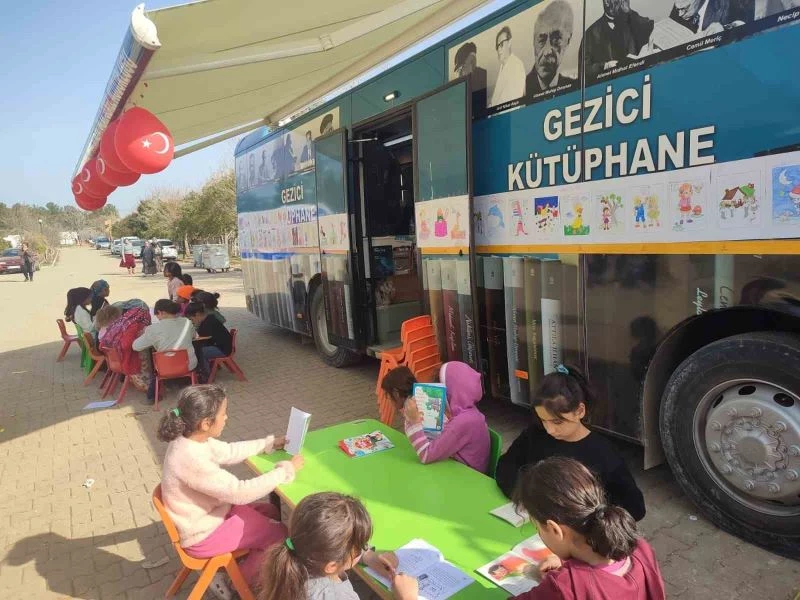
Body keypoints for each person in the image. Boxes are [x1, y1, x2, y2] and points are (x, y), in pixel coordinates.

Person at [158, 384, 304, 597]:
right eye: (223, 414)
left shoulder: (192, 439)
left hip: (210, 517)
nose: (226, 418)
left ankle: (244, 561)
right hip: (203, 535)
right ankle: (237, 581)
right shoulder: (191, 458)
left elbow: (229, 451)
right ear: (206, 423)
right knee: (280, 536)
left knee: (271, 512)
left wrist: (269, 443)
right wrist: (285, 470)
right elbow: (240, 492)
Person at [495, 365, 646, 521]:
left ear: (580, 411)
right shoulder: (534, 434)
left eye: (557, 422)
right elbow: (506, 466)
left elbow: (635, 508)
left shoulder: (604, 454)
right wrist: (524, 498)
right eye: (543, 420)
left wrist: (590, 522)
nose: (549, 430)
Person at [510, 457, 666, 599]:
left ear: (555, 529)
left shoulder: (564, 586)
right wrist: (566, 564)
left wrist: (559, 579)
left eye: (537, 527)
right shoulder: (640, 548)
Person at [260, 492, 418, 600]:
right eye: (360, 546)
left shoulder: (295, 557)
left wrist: (368, 556)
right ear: (332, 566)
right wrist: (408, 598)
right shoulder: (336, 596)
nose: (364, 548)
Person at [381, 362, 490, 473]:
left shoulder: (461, 423)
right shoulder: (467, 412)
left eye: (439, 386)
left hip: (469, 477)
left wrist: (414, 422)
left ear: (451, 391)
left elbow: (426, 456)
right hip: (464, 469)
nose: (435, 394)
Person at [132, 299, 198, 404]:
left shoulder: (153, 329)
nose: (157, 318)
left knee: (155, 364)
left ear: (161, 312)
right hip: (188, 365)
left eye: (157, 315)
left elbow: (136, 346)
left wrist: (147, 336)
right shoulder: (187, 322)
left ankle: (151, 397)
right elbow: (194, 336)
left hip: (165, 368)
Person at [584, 0, 654, 78]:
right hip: (609, 81)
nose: (622, 2)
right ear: (607, 2)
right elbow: (584, 68)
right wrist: (605, 66)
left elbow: (648, 27)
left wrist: (629, 11)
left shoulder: (630, 20)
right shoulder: (591, 33)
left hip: (635, 76)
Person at [526, 0, 577, 98]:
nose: (547, 51)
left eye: (556, 39)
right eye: (541, 40)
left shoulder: (575, 88)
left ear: (568, 41)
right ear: (534, 41)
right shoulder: (520, 91)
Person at [102, 306, 153, 393]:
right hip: (126, 361)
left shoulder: (121, 323)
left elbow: (103, 343)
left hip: (115, 360)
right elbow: (127, 345)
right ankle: (149, 387)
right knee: (144, 350)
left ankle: (149, 383)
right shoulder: (133, 326)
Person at [186, 303, 232, 377]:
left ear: (197, 314)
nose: (192, 321)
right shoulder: (209, 319)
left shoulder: (208, 322)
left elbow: (203, 337)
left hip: (222, 350)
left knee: (198, 351)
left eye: (191, 319)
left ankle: (205, 375)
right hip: (222, 346)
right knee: (197, 349)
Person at [490, 26, 526, 107]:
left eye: (501, 44)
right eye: (497, 46)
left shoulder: (517, 65)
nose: (498, 49)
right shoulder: (502, 67)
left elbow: (511, 103)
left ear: (509, 43)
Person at [454, 41, 488, 113]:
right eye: (459, 70)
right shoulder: (460, 89)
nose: (460, 74)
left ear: (472, 60)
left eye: (462, 67)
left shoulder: (482, 77)